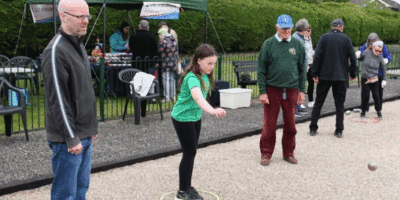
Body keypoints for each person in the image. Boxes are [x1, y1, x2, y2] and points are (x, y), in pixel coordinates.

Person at [41, 0, 99, 199]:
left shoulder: (78, 45)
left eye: (87, 16)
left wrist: (92, 127)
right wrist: (71, 137)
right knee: (65, 195)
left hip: (84, 133)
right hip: (68, 139)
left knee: (81, 188)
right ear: (63, 16)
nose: (85, 21)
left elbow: (85, 90)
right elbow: (57, 98)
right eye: (80, 17)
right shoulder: (56, 50)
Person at [171, 44, 226, 200]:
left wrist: (207, 109)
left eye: (214, 63)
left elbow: (202, 98)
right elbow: (198, 97)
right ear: (199, 60)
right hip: (182, 118)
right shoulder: (192, 78)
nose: (212, 67)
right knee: (189, 153)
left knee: (192, 152)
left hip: (194, 117)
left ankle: (187, 187)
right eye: (209, 63)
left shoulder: (205, 76)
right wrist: (213, 110)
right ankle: (181, 193)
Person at [258, 14, 306, 166]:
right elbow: (261, 70)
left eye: (289, 28)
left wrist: (302, 90)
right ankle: (266, 153)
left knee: (291, 124)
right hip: (272, 90)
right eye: (284, 28)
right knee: (270, 125)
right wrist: (262, 92)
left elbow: (302, 69)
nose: (287, 31)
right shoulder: (268, 44)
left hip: (291, 90)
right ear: (277, 27)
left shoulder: (297, 45)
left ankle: (289, 153)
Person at [309, 19, 358, 138]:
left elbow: (317, 56)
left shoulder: (324, 38)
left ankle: (313, 127)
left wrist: (314, 73)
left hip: (325, 75)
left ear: (333, 27)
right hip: (341, 76)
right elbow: (353, 58)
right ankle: (339, 129)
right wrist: (353, 73)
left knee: (319, 102)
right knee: (339, 104)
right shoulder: (346, 39)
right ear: (341, 27)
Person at [129, 20, 159, 117]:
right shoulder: (152, 36)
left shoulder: (134, 36)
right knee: (147, 83)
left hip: (137, 64)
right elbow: (155, 50)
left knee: (137, 84)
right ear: (148, 27)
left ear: (139, 27)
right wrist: (156, 61)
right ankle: (144, 110)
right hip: (148, 64)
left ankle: (137, 106)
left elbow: (131, 47)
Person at [358, 33, 391, 114]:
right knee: (365, 94)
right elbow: (361, 54)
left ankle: (379, 109)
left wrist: (386, 60)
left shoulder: (382, 46)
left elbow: (388, 56)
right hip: (368, 74)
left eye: (373, 41)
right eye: (370, 41)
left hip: (379, 73)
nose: (371, 42)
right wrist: (358, 53)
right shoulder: (365, 46)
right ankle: (365, 109)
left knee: (378, 94)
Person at [292, 18, 314, 118]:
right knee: (297, 87)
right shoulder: (297, 39)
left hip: (300, 66)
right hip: (297, 67)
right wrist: (304, 67)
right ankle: (296, 108)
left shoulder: (299, 38)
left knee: (300, 87)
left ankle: (298, 106)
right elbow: (300, 55)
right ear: (303, 29)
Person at [158, 29, 179, 102]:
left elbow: (160, 52)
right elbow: (176, 53)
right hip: (173, 63)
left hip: (165, 63)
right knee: (172, 79)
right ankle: (173, 96)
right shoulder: (174, 41)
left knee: (166, 80)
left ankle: (167, 97)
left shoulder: (163, 42)